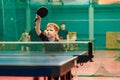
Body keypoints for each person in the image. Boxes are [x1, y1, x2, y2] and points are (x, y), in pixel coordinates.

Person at [35, 15, 72, 80]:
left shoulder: (58, 43)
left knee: (62, 76)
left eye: (51, 30)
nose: (48, 31)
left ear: (56, 32)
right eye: (47, 30)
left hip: (58, 64)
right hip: (48, 63)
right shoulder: (45, 39)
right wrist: (38, 21)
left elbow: (65, 53)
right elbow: (38, 31)